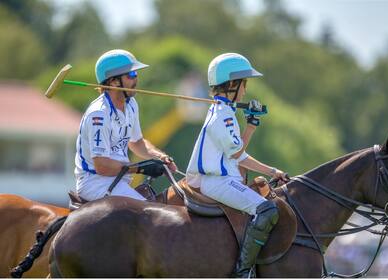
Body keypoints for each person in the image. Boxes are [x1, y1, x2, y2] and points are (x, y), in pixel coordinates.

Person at [186, 53, 289, 278]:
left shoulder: (225, 111)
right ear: (232, 84)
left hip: (222, 179)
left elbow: (238, 156)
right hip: (217, 182)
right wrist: (251, 125)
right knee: (267, 209)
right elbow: (239, 153)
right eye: (244, 83)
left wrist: (273, 171)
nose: (245, 89)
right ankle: (242, 271)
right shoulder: (223, 115)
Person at [75, 49, 177, 202]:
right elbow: (102, 166)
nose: (136, 79)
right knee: (149, 214)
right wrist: (141, 168)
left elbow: (136, 143)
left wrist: (160, 157)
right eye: (131, 75)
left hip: (119, 180)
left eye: (136, 74)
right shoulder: (99, 115)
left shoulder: (131, 104)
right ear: (113, 81)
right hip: (95, 182)